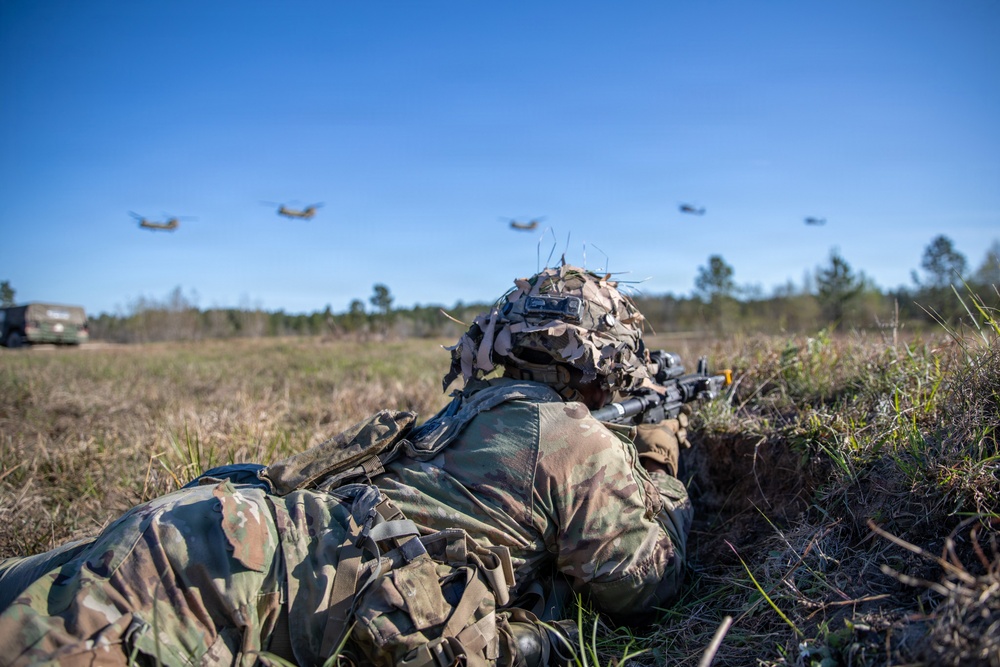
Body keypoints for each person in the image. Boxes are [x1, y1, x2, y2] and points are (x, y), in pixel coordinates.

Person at [0, 263, 693, 667]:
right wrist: (663, 468)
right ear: (601, 359)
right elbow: (640, 584)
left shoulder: (470, 409)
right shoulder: (573, 436)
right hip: (231, 582)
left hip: (221, 530)